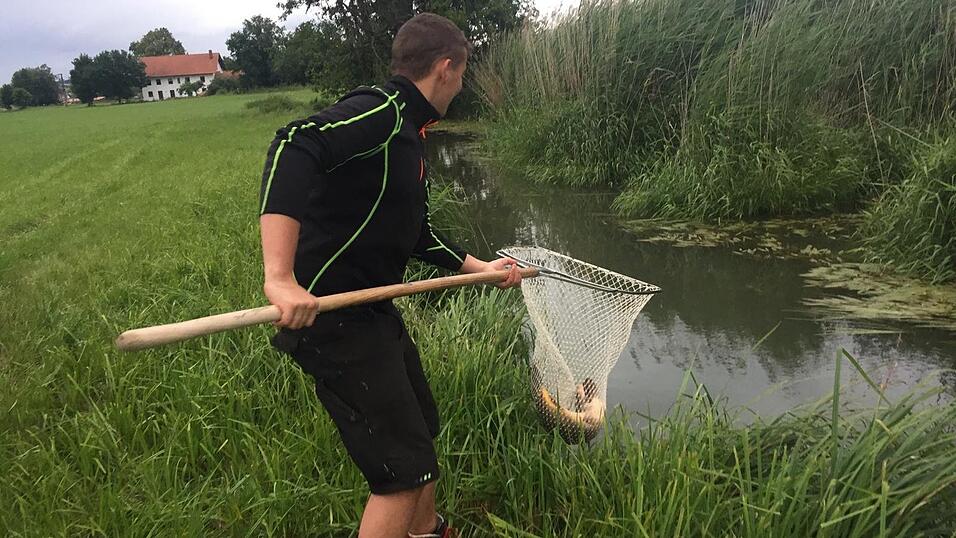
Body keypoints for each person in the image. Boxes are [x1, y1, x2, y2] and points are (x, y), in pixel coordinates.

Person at [258, 12, 521, 538]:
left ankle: (427, 532)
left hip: (371, 312)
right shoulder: (381, 113)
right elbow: (294, 144)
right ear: (446, 68)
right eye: (463, 73)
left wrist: (483, 270)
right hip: (334, 320)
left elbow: (415, 233)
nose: (462, 85)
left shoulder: (409, 135)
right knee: (400, 473)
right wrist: (281, 277)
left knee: (421, 432)